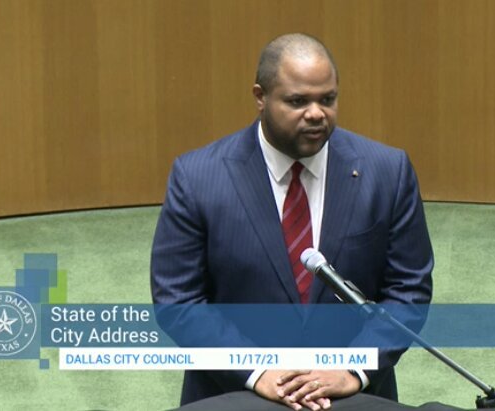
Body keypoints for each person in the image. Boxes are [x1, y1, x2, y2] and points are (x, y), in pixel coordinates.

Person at [151, 33, 434, 411]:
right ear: (260, 97)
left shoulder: (387, 171)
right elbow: (178, 301)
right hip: (235, 395)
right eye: (298, 101)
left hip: (353, 399)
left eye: (327, 99)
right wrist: (257, 371)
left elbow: (409, 290)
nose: (316, 113)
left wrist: (352, 368)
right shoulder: (198, 177)